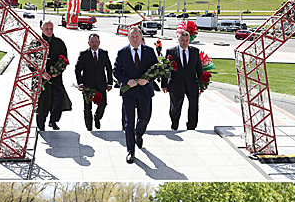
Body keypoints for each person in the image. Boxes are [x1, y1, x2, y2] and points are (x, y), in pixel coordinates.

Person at [113, 25, 158, 162]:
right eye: (132, 36)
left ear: (141, 37)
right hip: (129, 93)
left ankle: (139, 134)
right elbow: (116, 71)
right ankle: (130, 151)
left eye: (137, 36)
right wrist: (126, 81)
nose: (135, 39)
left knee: (145, 118)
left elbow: (156, 69)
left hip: (145, 91)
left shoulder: (149, 51)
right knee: (129, 122)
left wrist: (148, 80)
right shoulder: (122, 52)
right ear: (128, 37)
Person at [161, 28, 203, 130]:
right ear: (178, 40)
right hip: (176, 84)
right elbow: (165, 69)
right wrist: (164, 84)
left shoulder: (195, 51)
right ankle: (174, 124)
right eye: (183, 40)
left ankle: (191, 126)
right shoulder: (170, 52)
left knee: (194, 106)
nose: (185, 43)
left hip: (192, 84)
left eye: (187, 40)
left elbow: (199, 69)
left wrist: (202, 84)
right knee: (175, 107)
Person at [36, 19, 70, 131]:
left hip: (56, 79)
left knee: (59, 98)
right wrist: (41, 72)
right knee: (43, 103)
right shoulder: (36, 43)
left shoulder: (59, 43)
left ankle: (53, 121)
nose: (49, 31)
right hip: (41, 80)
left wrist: (57, 72)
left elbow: (65, 59)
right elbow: (29, 61)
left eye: (51, 29)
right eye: (47, 29)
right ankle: (41, 126)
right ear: (42, 29)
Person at [75, 33, 113, 130]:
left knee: (103, 104)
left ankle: (97, 118)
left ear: (99, 42)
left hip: (101, 84)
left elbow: (109, 68)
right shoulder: (83, 55)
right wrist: (80, 84)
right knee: (88, 108)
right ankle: (89, 128)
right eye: (92, 42)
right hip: (87, 86)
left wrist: (109, 83)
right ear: (88, 43)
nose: (94, 44)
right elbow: (78, 69)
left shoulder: (104, 54)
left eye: (96, 42)